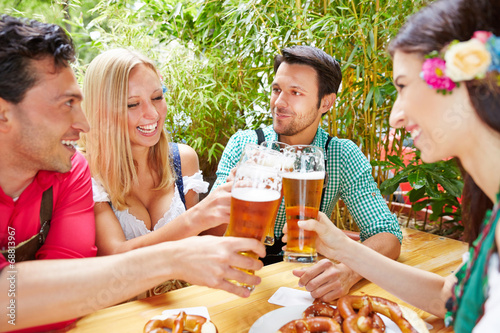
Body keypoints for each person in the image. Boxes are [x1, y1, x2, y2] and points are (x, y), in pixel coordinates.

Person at [0, 15, 265, 332]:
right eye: (66, 104)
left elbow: (69, 293)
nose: (84, 125)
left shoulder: (70, 173)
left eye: (157, 97)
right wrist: (172, 257)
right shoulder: (84, 169)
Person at [286, 0, 500, 331]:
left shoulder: (341, 152)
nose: (394, 116)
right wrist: (344, 249)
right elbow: (449, 299)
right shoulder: (493, 213)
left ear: (464, 84)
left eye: (402, 86)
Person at [212, 45, 403, 301]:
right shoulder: (245, 145)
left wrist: (348, 272)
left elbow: (387, 235)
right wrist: (232, 198)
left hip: (301, 286)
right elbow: (208, 235)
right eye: (277, 89)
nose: (279, 102)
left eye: (295, 92)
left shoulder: (341, 155)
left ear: (326, 102)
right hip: (237, 283)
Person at [80, 49, 235, 295]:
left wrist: (232, 202)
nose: (152, 114)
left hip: (187, 309)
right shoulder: (86, 173)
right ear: (103, 111)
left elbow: (202, 242)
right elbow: (115, 257)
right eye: (132, 103)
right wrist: (196, 217)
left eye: (157, 97)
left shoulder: (183, 159)